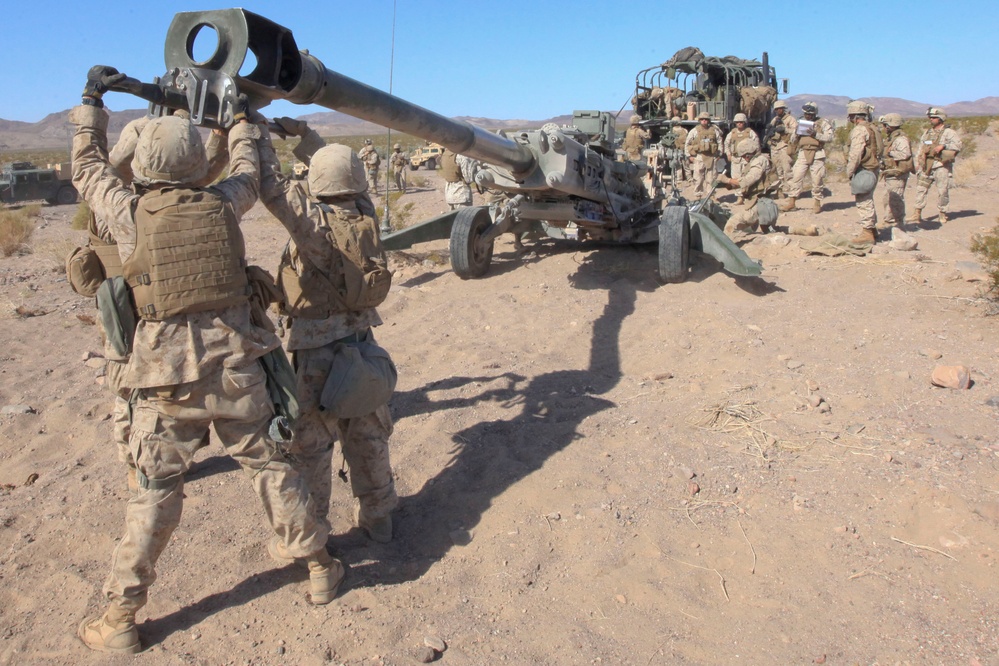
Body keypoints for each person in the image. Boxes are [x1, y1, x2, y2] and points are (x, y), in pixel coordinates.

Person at [71, 66, 339, 655]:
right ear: (196, 162)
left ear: (145, 166)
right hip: (237, 369)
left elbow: (87, 169)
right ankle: (318, 566)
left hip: (164, 380)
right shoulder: (224, 204)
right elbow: (246, 169)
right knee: (272, 468)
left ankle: (120, 617)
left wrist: (92, 101)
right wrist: (241, 118)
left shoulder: (128, 212)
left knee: (154, 492)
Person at [70, 115, 229, 493]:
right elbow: (103, 171)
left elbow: (198, 175)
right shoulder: (117, 204)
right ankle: (135, 465)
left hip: (152, 313)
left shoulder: (138, 199)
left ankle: (157, 460)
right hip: (126, 316)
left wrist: (218, 137)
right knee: (129, 393)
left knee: (156, 395)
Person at [257, 118, 397, 546]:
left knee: (313, 450)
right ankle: (380, 518)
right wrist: (306, 138)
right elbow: (342, 172)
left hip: (316, 354)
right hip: (363, 346)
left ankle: (316, 535)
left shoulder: (313, 225)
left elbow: (271, 187)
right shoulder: (365, 212)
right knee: (369, 436)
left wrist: (255, 133)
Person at [717, 139, 778, 240]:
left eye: (744, 156)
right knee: (768, 230)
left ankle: (725, 249)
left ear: (748, 154)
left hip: (760, 203)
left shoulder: (759, 161)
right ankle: (800, 230)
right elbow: (743, 182)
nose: (744, 159)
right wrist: (729, 184)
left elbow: (747, 180)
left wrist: (728, 180)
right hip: (760, 203)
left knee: (732, 223)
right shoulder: (756, 161)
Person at [910, 107, 962, 224]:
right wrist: (918, 163)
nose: (931, 119)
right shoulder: (927, 133)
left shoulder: (949, 133)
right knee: (920, 190)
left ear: (941, 118)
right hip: (926, 165)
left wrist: (943, 146)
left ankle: (942, 213)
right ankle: (917, 213)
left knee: (942, 191)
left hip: (941, 165)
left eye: (934, 117)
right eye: (930, 117)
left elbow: (958, 146)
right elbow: (921, 148)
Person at [782, 101, 834, 213]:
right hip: (803, 152)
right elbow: (793, 140)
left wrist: (815, 134)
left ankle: (817, 202)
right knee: (796, 177)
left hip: (817, 153)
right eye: (806, 114)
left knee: (817, 179)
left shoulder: (822, 123)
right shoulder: (801, 123)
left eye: (810, 114)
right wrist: (797, 134)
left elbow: (829, 137)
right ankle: (792, 201)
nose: (808, 116)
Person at [845, 100, 881, 244]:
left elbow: (855, 153)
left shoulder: (860, 130)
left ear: (854, 116)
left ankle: (867, 232)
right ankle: (872, 230)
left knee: (864, 201)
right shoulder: (873, 128)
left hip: (865, 169)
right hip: (873, 168)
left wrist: (849, 171)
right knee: (868, 198)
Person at [879, 113, 914, 228]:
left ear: (889, 125)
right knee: (887, 198)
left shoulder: (900, 139)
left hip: (898, 173)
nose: (883, 128)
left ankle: (897, 223)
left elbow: (905, 154)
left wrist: (890, 152)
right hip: (891, 173)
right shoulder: (892, 138)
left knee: (895, 200)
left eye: (885, 125)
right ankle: (889, 221)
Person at [684, 111, 724, 199]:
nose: (704, 121)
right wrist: (689, 156)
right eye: (702, 119)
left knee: (711, 178)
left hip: (711, 157)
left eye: (706, 119)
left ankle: (711, 196)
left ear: (709, 120)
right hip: (699, 157)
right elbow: (687, 143)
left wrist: (719, 154)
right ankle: (698, 196)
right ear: (699, 120)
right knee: (698, 178)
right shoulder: (694, 131)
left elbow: (719, 142)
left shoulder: (714, 130)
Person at [723, 113, 760, 203]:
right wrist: (728, 154)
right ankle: (739, 197)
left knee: (746, 178)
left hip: (746, 159)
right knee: (735, 178)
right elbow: (726, 144)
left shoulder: (749, 132)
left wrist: (755, 156)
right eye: (737, 122)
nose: (739, 124)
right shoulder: (732, 133)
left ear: (744, 123)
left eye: (741, 122)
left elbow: (756, 144)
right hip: (735, 158)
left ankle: (747, 195)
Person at [766, 100, 797, 200]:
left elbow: (796, 131)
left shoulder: (790, 119)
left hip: (784, 146)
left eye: (780, 109)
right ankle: (779, 191)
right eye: (777, 109)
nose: (778, 111)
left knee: (787, 170)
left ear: (784, 109)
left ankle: (791, 193)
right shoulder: (774, 119)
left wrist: (785, 130)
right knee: (776, 171)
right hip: (775, 147)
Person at [670, 117, 690, 182]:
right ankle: (689, 178)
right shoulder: (685, 130)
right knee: (686, 165)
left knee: (678, 165)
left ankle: (679, 179)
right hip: (683, 149)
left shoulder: (671, 131)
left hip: (676, 150)